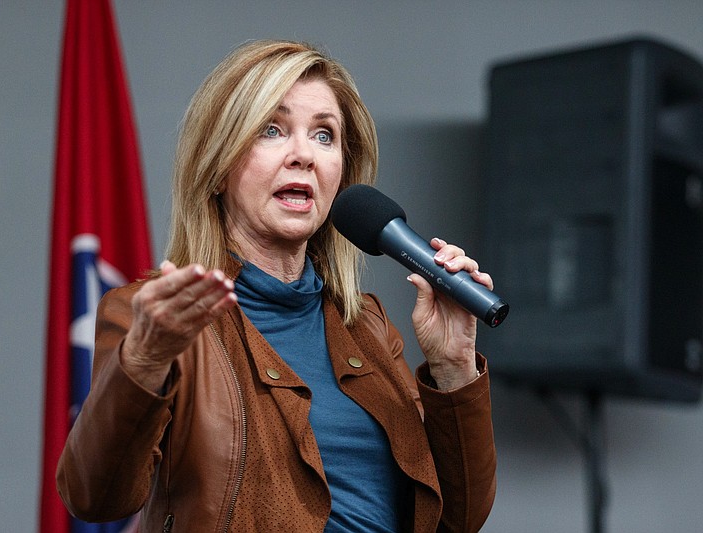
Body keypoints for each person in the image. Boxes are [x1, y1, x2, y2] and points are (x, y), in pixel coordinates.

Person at [57, 39, 496, 532]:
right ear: (218, 166)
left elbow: (457, 518)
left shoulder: (367, 326)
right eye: (272, 129)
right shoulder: (149, 315)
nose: (304, 155)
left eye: (324, 135)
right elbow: (94, 497)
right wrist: (144, 359)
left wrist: (453, 366)